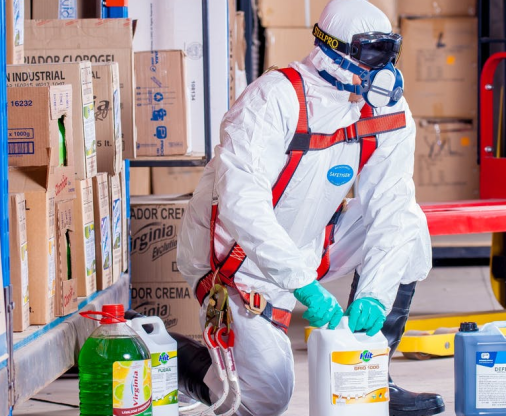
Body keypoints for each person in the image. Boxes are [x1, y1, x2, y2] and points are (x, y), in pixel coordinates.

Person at [175, 0, 442, 414]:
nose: (384, 70)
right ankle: (176, 360)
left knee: (411, 225)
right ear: (332, 50)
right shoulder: (273, 100)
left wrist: (375, 293)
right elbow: (241, 205)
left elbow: (391, 204)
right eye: (373, 54)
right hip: (237, 261)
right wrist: (303, 285)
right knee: (266, 399)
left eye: (390, 54)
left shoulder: (386, 108)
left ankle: (373, 378)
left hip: (311, 238)